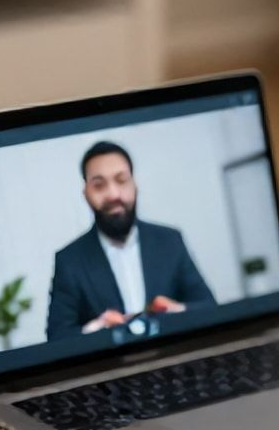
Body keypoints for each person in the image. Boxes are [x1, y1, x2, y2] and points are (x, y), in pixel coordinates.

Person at [46, 140, 216, 339]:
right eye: (99, 185)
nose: (113, 194)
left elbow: (209, 308)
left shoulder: (170, 241)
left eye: (121, 180)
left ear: (134, 184)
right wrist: (97, 327)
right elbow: (57, 339)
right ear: (86, 194)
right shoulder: (69, 261)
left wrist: (176, 312)